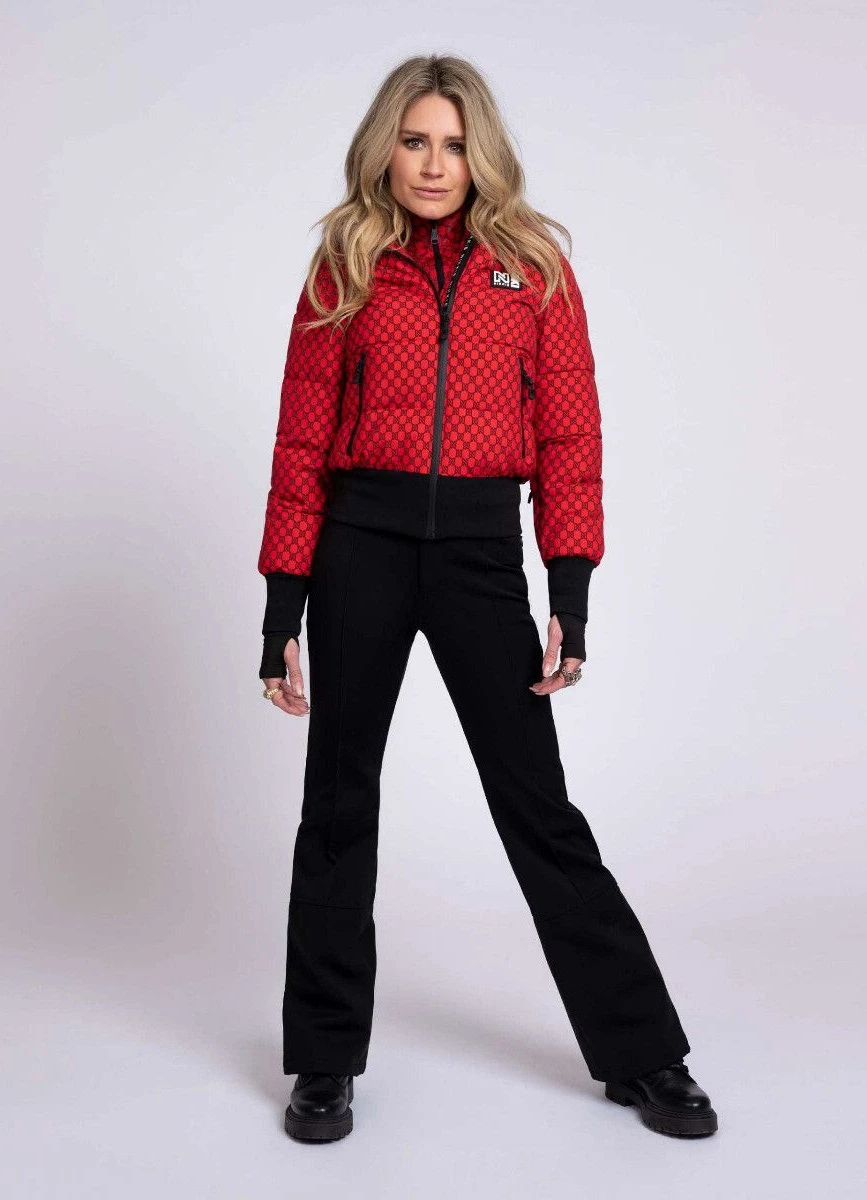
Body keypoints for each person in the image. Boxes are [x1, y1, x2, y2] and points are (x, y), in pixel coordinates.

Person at [257, 54, 718, 1143]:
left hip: (477, 556)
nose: (434, 164)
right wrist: (283, 611)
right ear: (386, 148)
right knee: (338, 806)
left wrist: (571, 589)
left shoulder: (534, 268)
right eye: (415, 140)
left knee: (538, 807)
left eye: (455, 145)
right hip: (359, 551)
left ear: (483, 155)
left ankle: (644, 1054)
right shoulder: (345, 264)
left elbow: (569, 436)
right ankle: (323, 1060)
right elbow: (300, 441)